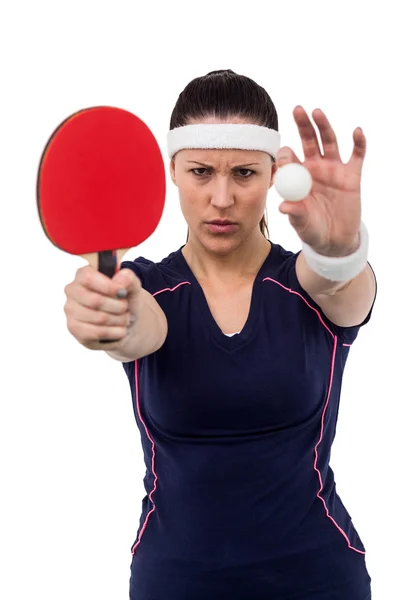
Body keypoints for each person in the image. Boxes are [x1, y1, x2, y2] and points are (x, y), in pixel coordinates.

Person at [64, 70, 377, 599]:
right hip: (175, 581)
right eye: (202, 172)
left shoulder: (306, 282)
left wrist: (341, 248)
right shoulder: (148, 288)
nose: (223, 197)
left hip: (318, 578)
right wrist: (109, 317)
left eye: (245, 173)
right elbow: (139, 324)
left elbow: (342, 286)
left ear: (273, 175)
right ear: (173, 171)